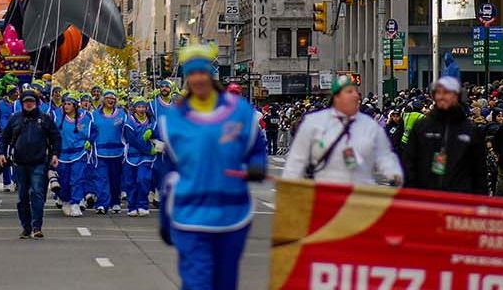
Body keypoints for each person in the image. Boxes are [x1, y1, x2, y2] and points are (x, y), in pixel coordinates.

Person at [157, 43, 267, 290]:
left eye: (202, 72)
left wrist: (257, 165)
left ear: (211, 75)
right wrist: (165, 219)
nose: (198, 79)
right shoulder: (174, 119)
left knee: (225, 282)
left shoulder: (239, 111)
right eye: (192, 73)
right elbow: (168, 174)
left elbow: (256, 147)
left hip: (232, 213)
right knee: (197, 281)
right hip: (190, 214)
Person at [281, 74, 401, 186]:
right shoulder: (314, 122)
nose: (354, 96)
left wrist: (393, 172)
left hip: (352, 186)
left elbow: (383, 154)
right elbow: (297, 159)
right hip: (322, 184)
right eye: (349, 92)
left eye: (355, 92)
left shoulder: (368, 125)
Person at [402, 76, 489, 194]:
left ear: (457, 96)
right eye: (438, 93)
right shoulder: (421, 127)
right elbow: (409, 162)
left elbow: (479, 171)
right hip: (426, 197)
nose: (441, 97)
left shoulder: (471, 131)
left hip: (459, 197)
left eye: (446, 93)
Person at [0, 88, 60, 239]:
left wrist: (55, 154)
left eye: (31, 101)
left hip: (39, 163)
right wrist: (1, 153)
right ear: (22, 103)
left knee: (37, 193)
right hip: (20, 164)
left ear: (36, 103)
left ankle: (37, 227)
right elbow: (4, 138)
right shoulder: (15, 119)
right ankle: (26, 227)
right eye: (26, 101)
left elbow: (56, 138)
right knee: (22, 197)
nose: (29, 104)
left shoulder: (45, 119)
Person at [88, 89, 126, 213]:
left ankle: (115, 202)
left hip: (117, 152)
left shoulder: (122, 114)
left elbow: (127, 131)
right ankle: (102, 204)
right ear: (103, 100)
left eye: (113, 98)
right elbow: (90, 131)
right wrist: (88, 142)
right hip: (100, 153)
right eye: (108, 98)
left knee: (115, 179)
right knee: (101, 178)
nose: (111, 100)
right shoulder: (94, 115)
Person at [121, 97, 161, 215]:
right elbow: (132, 141)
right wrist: (148, 150)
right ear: (134, 109)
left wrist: (153, 132)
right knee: (131, 182)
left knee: (143, 179)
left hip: (146, 158)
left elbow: (159, 135)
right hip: (132, 156)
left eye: (143, 107)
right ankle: (132, 206)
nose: (141, 109)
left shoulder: (152, 122)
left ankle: (143, 205)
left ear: (147, 108)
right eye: (139, 107)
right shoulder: (129, 123)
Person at [55, 93, 93, 216]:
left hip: (79, 153)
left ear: (75, 106)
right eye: (65, 104)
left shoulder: (86, 118)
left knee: (77, 178)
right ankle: (65, 200)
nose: (66, 106)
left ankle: (76, 202)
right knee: (64, 180)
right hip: (63, 155)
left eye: (69, 104)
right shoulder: (57, 117)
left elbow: (93, 131)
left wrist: (89, 141)